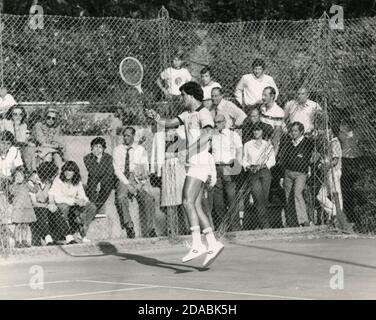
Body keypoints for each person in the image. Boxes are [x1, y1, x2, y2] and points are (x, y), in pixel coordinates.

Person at [145, 81, 224, 267]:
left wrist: (189, 150)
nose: (182, 99)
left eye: (183, 96)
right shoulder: (187, 114)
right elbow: (170, 123)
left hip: (200, 160)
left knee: (187, 200)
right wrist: (156, 118)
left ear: (190, 95)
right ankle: (212, 243)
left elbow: (207, 135)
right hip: (193, 162)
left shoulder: (203, 112)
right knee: (195, 205)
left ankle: (197, 244)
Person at [113, 127, 157, 239]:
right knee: (121, 197)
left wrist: (140, 184)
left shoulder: (140, 149)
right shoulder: (118, 150)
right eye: (124, 135)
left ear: (133, 136)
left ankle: (150, 229)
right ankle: (129, 226)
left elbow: (145, 168)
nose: (126, 138)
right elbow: (117, 170)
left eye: (128, 135)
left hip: (137, 178)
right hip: (123, 177)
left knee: (149, 199)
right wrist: (127, 184)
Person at [48, 161, 97, 244]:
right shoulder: (59, 179)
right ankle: (64, 234)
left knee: (92, 207)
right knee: (64, 207)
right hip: (63, 203)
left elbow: (82, 195)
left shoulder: (77, 180)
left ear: (75, 172)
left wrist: (83, 201)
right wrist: (74, 201)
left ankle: (82, 232)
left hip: (74, 204)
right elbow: (57, 198)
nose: (68, 173)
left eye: (71, 170)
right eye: (66, 170)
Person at [210, 113, 242, 231]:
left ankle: (236, 227)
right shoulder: (213, 136)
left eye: (218, 122)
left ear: (224, 122)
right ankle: (225, 226)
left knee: (231, 197)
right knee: (218, 200)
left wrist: (236, 167)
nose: (216, 124)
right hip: (216, 168)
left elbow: (239, 151)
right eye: (215, 122)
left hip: (229, 167)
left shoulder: (233, 135)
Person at [279, 122, 314, 227]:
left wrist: (309, 169)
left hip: (301, 173)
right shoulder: (288, 143)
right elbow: (283, 160)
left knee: (297, 194)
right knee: (288, 197)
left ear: (301, 132)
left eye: (295, 131)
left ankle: (304, 220)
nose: (293, 133)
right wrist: (281, 177)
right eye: (292, 131)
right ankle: (292, 221)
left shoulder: (307, 143)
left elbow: (310, 157)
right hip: (288, 173)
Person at [243, 123, 276, 229]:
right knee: (258, 198)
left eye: (258, 130)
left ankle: (261, 223)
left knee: (264, 198)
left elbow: (272, 160)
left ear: (262, 132)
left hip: (265, 171)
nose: (256, 132)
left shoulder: (268, 145)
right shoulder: (247, 144)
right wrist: (248, 166)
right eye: (254, 130)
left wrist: (263, 165)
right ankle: (265, 224)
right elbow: (244, 159)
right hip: (253, 171)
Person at [29, 162, 60, 246]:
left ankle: (65, 236)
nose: (54, 178)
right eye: (53, 175)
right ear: (48, 174)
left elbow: (51, 197)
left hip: (44, 205)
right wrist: (46, 206)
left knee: (57, 210)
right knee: (41, 210)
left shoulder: (49, 183)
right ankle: (47, 237)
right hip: (33, 207)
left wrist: (52, 204)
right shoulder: (32, 182)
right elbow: (34, 203)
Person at [338, 118, 363, 224]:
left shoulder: (358, 132)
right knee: (346, 188)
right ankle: (348, 215)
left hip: (356, 159)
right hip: (345, 159)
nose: (344, 125)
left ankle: (357, 216)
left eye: (346, 123)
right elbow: (344, 139)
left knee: (355, 187)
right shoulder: (341, 133)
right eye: (343, 123)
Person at [316, 127, 343, 222]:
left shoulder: (334, 142)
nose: (324, 133)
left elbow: (335, 160)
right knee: (320, 196)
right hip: (328, 173)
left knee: (336, 194)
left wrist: (325, 165)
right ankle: (335, 212)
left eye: (327, 131)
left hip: (334, 172)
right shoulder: (328, 143)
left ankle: (338, 215)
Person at [25, 107, 65, 172]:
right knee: (48, 155)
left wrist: (56, 145)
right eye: (48, 117)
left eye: (53, 118)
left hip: (50, 148)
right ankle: (45, 175)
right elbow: (42, 142)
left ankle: (58, 177)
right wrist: (56, 146)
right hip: (38, 147)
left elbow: (55, 141)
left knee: (57, 156)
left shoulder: (56, 127)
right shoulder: (38, 125)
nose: (50, 120)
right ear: (45, 117)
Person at [84, 137, 116, 216]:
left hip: (106, 180)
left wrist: (100, 183)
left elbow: (110, 172)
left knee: (107, 184)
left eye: (100, 147)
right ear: (92, 147)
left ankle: (95, 208)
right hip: (94, 179)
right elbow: (93, 172)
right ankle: (92, 207)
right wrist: (98, 159)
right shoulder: (87, 158)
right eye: (95, 146)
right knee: (92, 181)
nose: (97, 149)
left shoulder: (108, 157)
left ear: (103, 149)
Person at [9, 166, 36, 248]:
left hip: (26, 208)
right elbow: (12, 192)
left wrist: (35, 182)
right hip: (18, 209)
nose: (19, 178)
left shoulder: (26, 185)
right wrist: (14, 183)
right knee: (18, 225)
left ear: (24, 177)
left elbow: (34, 190)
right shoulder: (13, 186)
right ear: (14, 177)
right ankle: (17, 241)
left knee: (25, 225)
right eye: (17, 176)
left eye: (21, 176)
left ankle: (24, 240)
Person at [259, 86, 284, 156]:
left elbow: (277, 135)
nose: (263, 98)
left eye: (265, 95)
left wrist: (274, 154)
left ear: (272, 96)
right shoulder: (262, 107)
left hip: (270, 142)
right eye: (262, 95)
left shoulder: (278, 112)